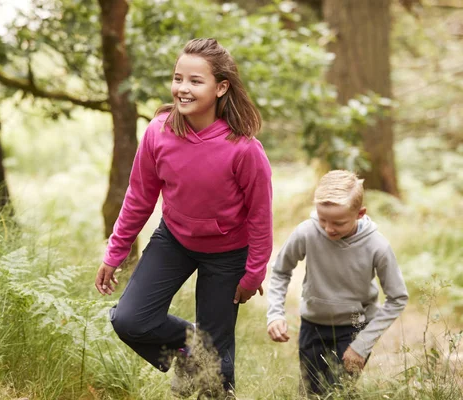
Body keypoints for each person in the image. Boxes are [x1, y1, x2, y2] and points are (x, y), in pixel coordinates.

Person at [94, 38, 273, 398]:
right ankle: (191, 341)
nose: (183, 88)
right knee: (130, 320)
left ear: (221, 87)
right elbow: (139, 197)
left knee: (215, 364)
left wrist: (253, 273)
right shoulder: (158, 132)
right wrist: (115, 252)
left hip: (227, 254)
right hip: (174, 240)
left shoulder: (244, 149)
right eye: (178, 79)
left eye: (195, 81)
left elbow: (260, 216)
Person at [266, 170, 408, 396]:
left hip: (355, 325)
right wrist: (275, 313)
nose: (328, 229)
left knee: (339, 391)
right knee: (311, 392)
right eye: (322, 220)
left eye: (338, 223)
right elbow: (281, 270)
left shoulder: (377, 246)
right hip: (313, 324)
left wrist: (362, 344)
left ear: (360, 213)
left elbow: (398, 298)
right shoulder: (306, 232)